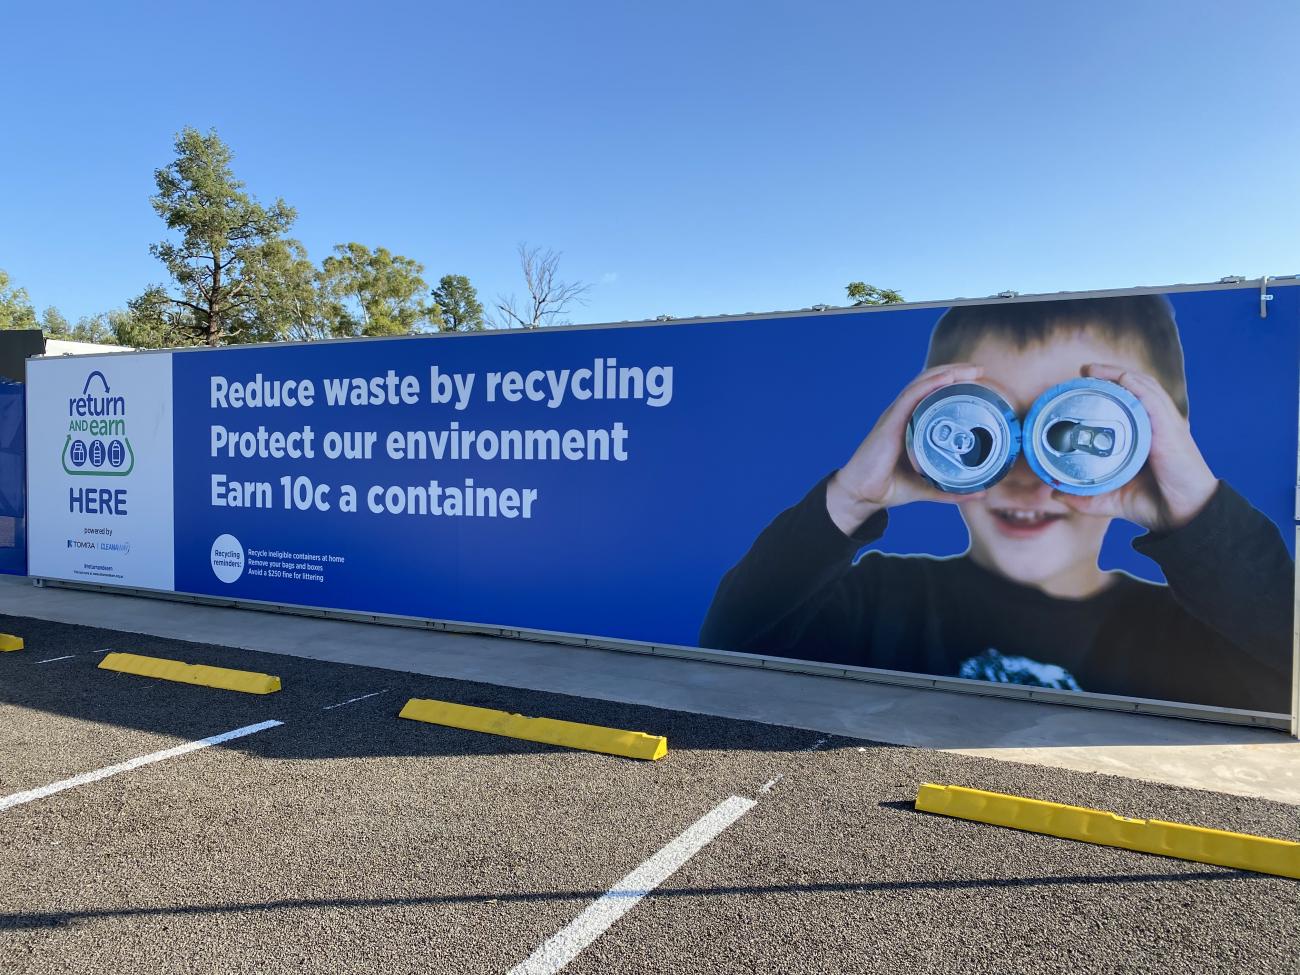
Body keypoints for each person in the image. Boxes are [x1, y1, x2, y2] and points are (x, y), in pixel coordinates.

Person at [699, 296, 1293, 713]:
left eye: (1071, 428)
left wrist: (1198, 515)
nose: (1029, 472)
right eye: (993, 429)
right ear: (922, 429)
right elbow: (731, 643)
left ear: (1161, 435)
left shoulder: (1204, 630)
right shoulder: (877, 600)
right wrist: (851, 497)